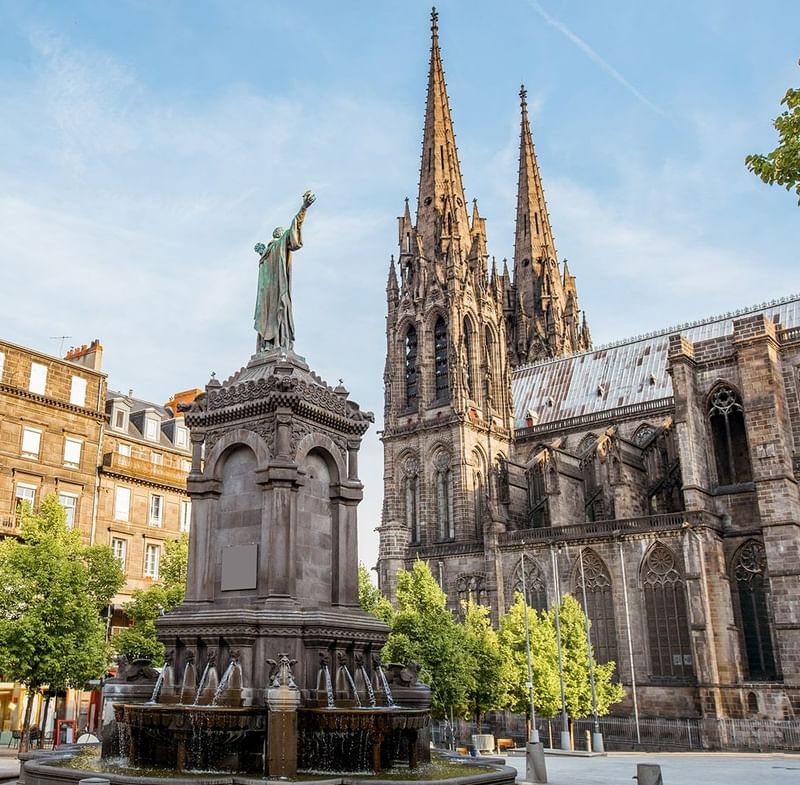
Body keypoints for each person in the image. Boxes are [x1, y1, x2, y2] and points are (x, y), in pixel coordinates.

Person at [253, 190, 316, 352]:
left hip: (272, 293)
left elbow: (295, 225)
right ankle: (275, 343)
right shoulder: (271, 250)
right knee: (276, 312)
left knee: (273, 314)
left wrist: (303, 208)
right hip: (273, 293)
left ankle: (270, 343)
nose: (281, 233)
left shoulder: (269, 251)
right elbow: (294, 226)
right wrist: (304, 207)